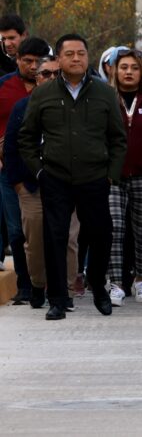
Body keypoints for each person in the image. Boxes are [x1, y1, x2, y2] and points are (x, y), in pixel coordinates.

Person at [19, 34, 127, 321]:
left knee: (102, 233)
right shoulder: (43, 94)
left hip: (95, 177)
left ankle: (98, 285)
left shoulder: (104, 93)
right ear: (59, 58)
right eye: (70, 54)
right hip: (55, 176)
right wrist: (39, 171)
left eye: (81, 53)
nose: (76, 58)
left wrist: (110, 176)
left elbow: (118, 138)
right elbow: (26, 138)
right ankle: (57, 299)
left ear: (88, 57)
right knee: (54, 237)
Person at [6, 56, 81, 310]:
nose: (50, 78)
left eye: (55, 74)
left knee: (68, 239)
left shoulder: (74, 104)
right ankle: (38, 286)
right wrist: (18, 183)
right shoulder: (23, 107)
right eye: (45, 74)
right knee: (35, 240)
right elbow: (13, 147)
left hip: (68, 184)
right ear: (36, 78)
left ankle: (67, 290)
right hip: (32, 185)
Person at [103, 49, 142, 306]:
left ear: (141, 72)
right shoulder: (105, 98)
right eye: (123, 67)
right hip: (112, 176)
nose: (128, 72)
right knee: (114, 228)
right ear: (114, 70)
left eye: (134, 68)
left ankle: (141, 280)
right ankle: (116, 283)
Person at [0, 36, 50, 304]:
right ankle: (25, 284)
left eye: (36, 62)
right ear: (17, 60)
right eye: (26, 61)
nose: (31, 67)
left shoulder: (53, 87)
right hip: (10, 171)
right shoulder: (4, 87)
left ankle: (48, 282)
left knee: (47, 231)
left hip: (46, 172)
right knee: (17, 231)